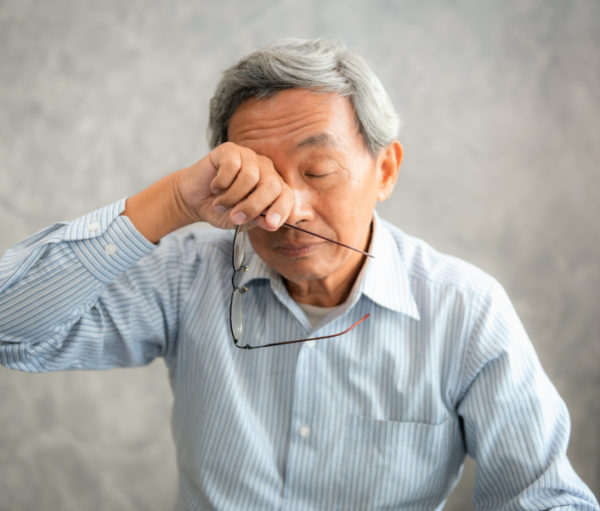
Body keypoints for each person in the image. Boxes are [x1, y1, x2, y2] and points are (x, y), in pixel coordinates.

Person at [0, 37, 597, 510]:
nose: (285, 208)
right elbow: (9, 328)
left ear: (385, 169)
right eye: (256, 178)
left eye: (316, 171)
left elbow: (543, 498)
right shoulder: (188, 278)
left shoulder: (465, 311)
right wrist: (174, 202)